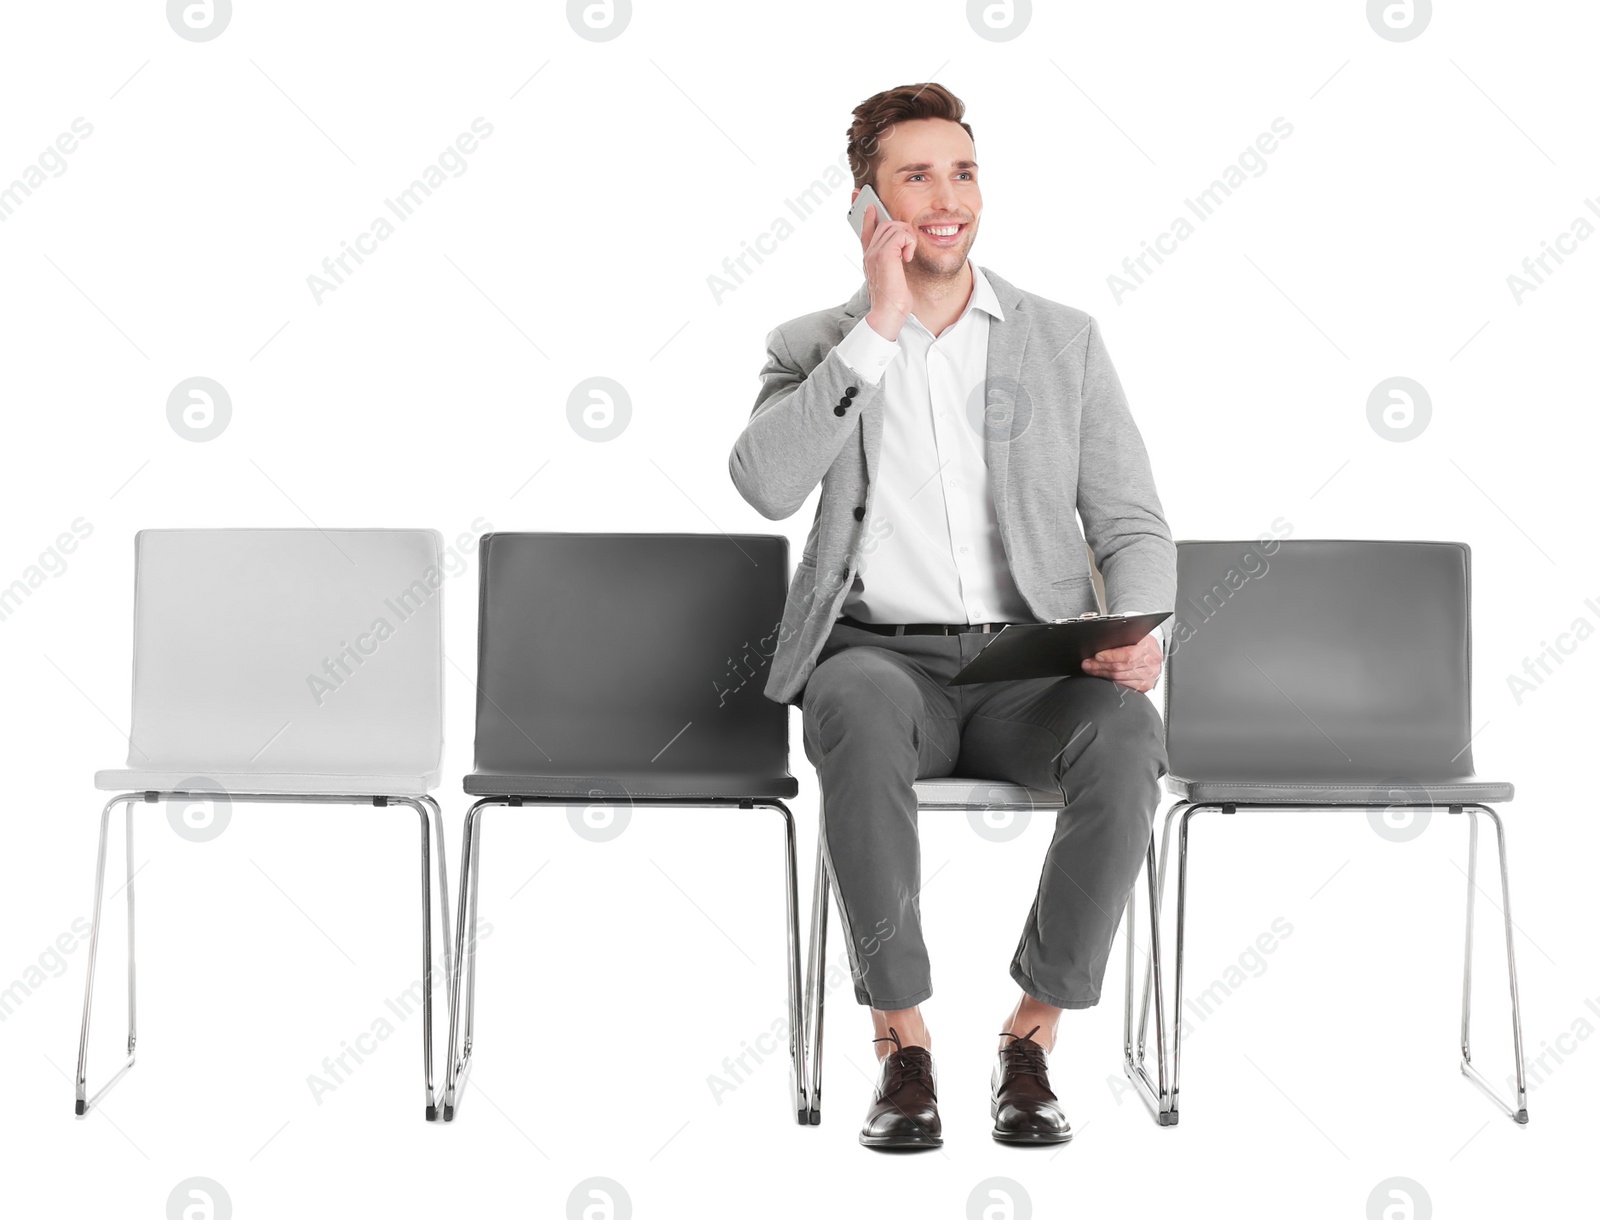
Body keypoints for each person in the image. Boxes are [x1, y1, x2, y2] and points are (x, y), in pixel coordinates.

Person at [727, 81, 1175, 1149]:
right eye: (914, 174)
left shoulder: (1059, 339)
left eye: (962, 171)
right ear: (864, 204)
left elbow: (1129, 520)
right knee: (861, 708)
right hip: (879, 656)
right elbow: (762, 482)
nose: (945, 196)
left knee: (1126, 737)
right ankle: (903, 1042)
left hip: (1032, 662)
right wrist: (876, 327)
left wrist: (1141, 628)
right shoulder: (812, 345)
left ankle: (1031, 1034)